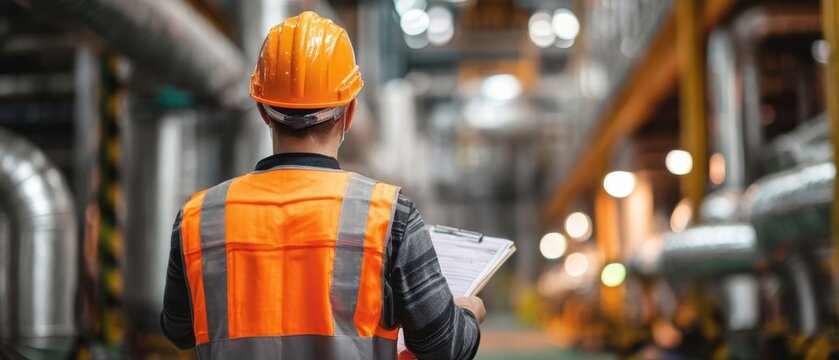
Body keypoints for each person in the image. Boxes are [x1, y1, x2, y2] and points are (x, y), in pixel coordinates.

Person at [160, 11, 484, 360]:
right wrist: (468, 312)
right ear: (350, 112)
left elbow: (179, 330)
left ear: (263, 111)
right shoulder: (390, 216)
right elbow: (444, 346)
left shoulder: (197, 217)